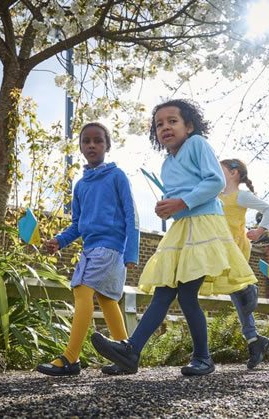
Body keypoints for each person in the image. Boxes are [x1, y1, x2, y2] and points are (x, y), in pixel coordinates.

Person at [91, 99, 257, 376]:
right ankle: (131, 353)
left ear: (189, 125)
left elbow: (215, 181)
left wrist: (181, 202)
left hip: (203, 226)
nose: (165, 127)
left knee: (187, 293)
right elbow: (178, 196)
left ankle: (200, 357)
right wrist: (167, 205)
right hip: (182, 230)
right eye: (159, 124)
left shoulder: (198, 145)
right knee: (166, 291)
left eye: (172, 121)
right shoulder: (167, 164)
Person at [37, 122, 139, 376]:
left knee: (82, 291)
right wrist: (58, 241)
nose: (92, 145)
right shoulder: (80, 186)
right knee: (106, 299)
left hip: (110, 248)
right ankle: (127, 356)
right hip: (91, 248)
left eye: (98, 141)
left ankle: (71, 358)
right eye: (86, 141)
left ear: (108, 146)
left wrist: (132, 253)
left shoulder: (117, 176)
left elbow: (131, 215)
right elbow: (77, 225)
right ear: (81, 147)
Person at [220, 158, 269, 369]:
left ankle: (249, 287)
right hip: (218, 247)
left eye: (220, 169)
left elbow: (268, 209)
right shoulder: (216, 194)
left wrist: (260, 230)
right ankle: (254, 341)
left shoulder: (240, 195)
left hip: (236, 247)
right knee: (236, 295)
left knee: (237, 292)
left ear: (234, 173)